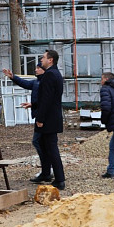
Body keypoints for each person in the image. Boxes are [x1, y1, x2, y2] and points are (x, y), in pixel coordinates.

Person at [3, 63, 52, 182]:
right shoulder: (36, 82)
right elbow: (26, 84)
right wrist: (13, 77)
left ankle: (47, 170)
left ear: (44, 70)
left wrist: (37, 110)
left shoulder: (45, 83)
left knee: (39, 142)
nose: (36, 70)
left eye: (38, 68)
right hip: (39, 117)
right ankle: (47, 170)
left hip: (44, 118)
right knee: (42, 143)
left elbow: (47, 101)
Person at [34, 50, 65, 190]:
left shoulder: (49, 75)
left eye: (43, 57)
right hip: (53, 117)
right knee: (44, 144)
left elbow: (46, 99)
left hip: (48, 119)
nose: (41, 60)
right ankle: (47, 174)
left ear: (50, 60)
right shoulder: (56, 74)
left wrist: (40, 118)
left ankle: (59, 179)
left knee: (51, 148)